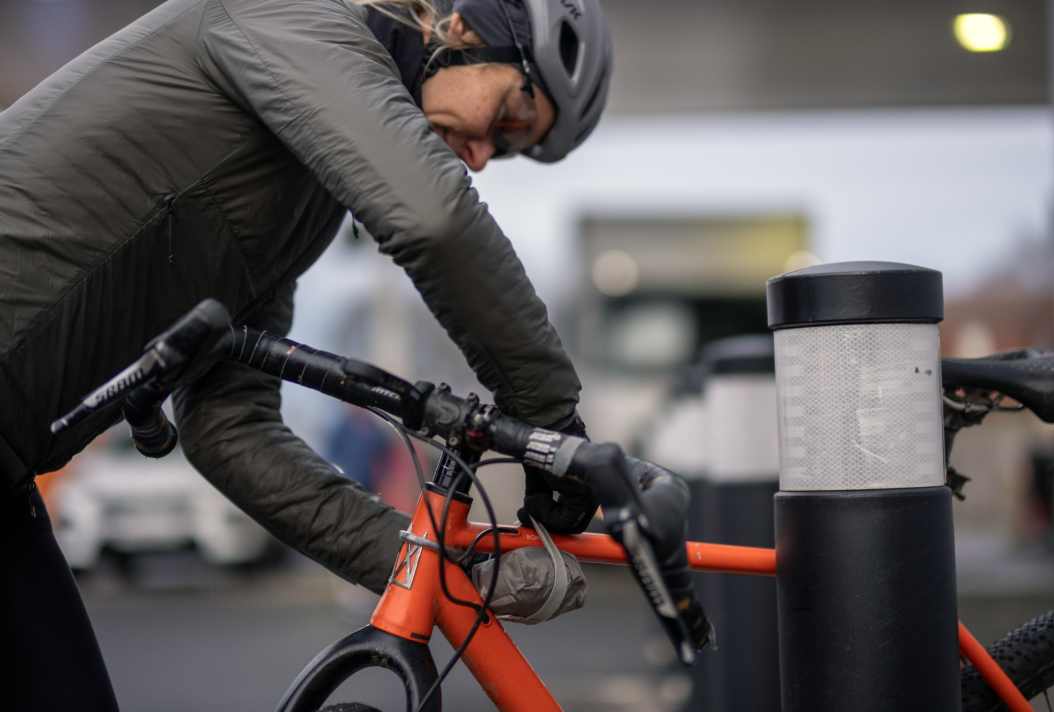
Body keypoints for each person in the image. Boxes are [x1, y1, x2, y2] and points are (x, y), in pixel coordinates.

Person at [0, 0, 612, 708]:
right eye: (506, 119)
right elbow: (433, 219)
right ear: (465, 26)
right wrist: (551, 422)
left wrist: (450, 570)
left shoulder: (300, 192)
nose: (479, 157)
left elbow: (230, 425)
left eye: (504, 152)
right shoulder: (288, 15)